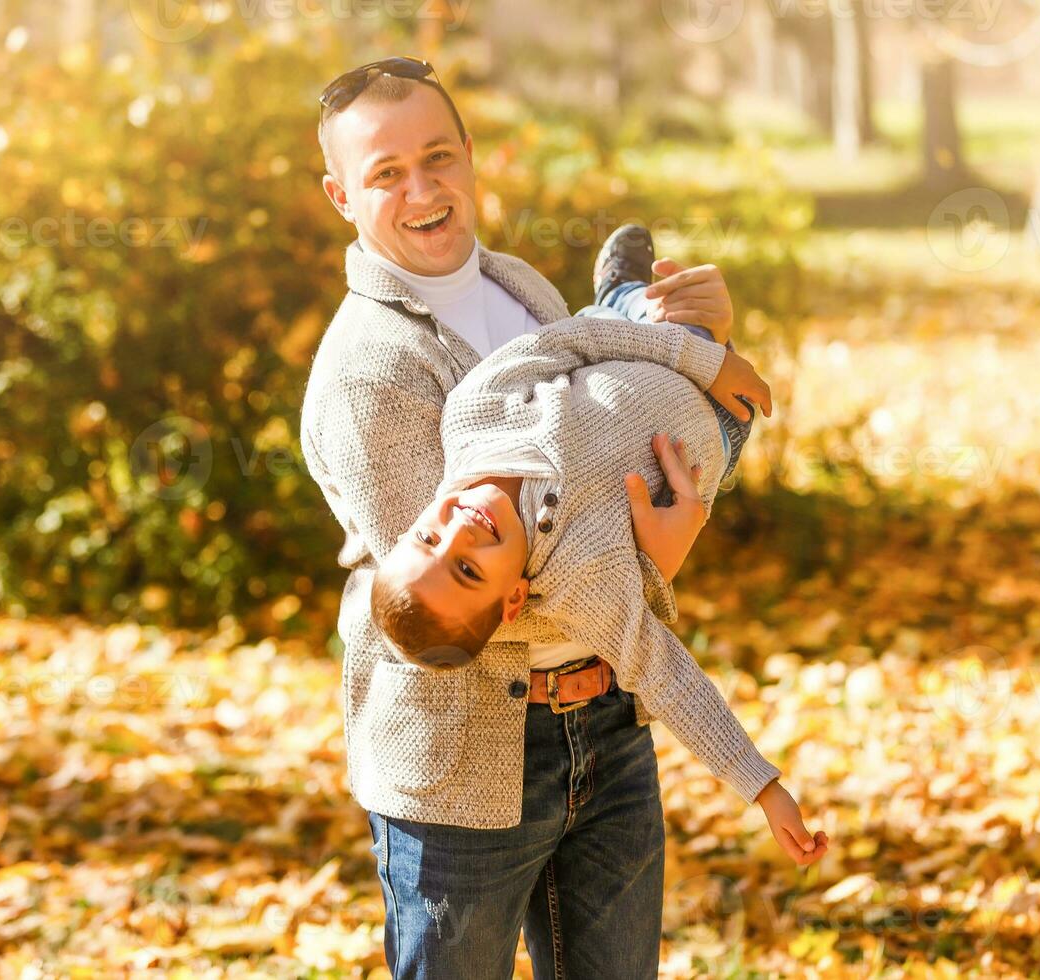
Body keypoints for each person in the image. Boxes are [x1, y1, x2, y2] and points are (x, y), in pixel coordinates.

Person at [299, 56, 821, 979]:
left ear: (469, 155)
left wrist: (691, 345)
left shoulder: (514, 284)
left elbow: (593, 426)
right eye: (385, 174)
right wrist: (657, 563)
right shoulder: (367, 371)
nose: (421, 190)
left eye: (436, 157)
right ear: (342, 195)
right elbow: (451, 595)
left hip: (607, 727)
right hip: (464, 766)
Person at [368, 220, 829, 865]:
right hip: (714, 435)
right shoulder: (580, 589)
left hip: (652, 353)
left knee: (648, 322)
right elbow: (667, 677)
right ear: (513, 601)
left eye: (428, 536)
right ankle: (629, 300)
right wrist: (765, 788)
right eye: (469, 570)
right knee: (710, 361)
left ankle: (620, 298)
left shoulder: (474, 412)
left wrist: (706, 359)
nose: (459, 532)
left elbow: (569, 343)